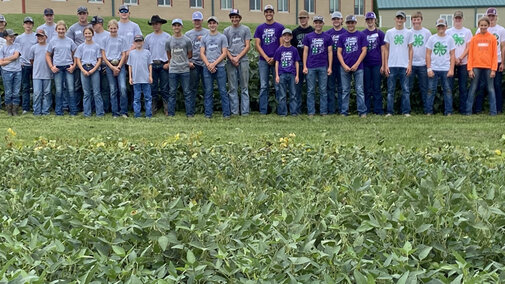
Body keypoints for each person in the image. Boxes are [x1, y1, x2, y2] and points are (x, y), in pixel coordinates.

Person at [254, 4, 284, 114]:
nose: (269, 14)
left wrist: (274, 57)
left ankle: (280, 110)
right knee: (264, 86)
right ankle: (263, 111)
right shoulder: (260, 28)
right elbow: (257, 45)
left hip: (276, 61)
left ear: (273, 13)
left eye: (270, 11)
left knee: (278, 85)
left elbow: (282, 44)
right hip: (263, 60)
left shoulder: (280, 27)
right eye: (267, 12)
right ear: (264, 14)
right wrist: (266, 57)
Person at [475, 7, 505, 114]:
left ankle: (498, 109)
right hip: (483, 62)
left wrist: (503, 62)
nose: (491, 18)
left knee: (496, 85)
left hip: (496, 60)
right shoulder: (480, 29)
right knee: (481, 85)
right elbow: (476, 46)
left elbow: (503, 46)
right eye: (489, 16)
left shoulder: (501, 30)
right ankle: (478, 108)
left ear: (496, 17)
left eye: (493, 16)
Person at [384, 11, 414, 116]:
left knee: (405, 90)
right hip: (392, 65)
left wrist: (410, 64)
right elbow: (386, 49)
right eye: (398, 18)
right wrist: (386, 64)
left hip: (404, 65)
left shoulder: (409, 33)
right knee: (390, 90)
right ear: (395, 19)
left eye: (402, 18)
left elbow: (410, 49)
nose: (400, 20)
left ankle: (405, 111)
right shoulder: (389, 32)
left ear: (405, 20)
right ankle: (389, 112)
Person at [466, 16, 498, 116]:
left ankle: (493, 112)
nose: (483, 27)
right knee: (473, 88)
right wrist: (470, 69)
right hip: (476, 66)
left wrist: (493, 69)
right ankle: (468, 111)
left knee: (490, 89)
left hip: (488, 67)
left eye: (485, 25)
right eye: (481, 25)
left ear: (488, 26)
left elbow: (494, 55)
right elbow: (470, 55)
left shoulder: (492, 38)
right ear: (478, 26)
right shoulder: (474, 39)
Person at [337, 15, 367, 117]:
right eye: (348, 23)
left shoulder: (361, 35)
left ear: (355, 23)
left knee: (359, 90)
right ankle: (344, 111)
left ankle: (362, 111)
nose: (350, 24)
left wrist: (357, 64)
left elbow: (364, 50)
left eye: (352, 22)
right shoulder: (342, 36)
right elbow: (339, 52)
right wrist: (344, 65)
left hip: (358, 67)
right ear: (346, 24)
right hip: (344, 67)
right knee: (345, 90)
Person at [46, 21, 78, 116]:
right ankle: (59, 111)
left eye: (63, 29)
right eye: (59, 29)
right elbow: (48, 55)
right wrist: (51, 66)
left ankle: (73, 111)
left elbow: (76, 54)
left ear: (66, 30)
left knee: (71, 89)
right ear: (56, 30)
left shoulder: (70, 41)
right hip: (57, 68)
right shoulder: (52, 41)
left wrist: (74, 65)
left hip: (68, 67)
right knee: (59, 90)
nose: (61, 31)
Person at [200, 16, 230, 118]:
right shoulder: (204, 38)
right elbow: (202, 53)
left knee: (223, 90)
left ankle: (226, 114)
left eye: (214, 23)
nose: (212, 25)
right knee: (208, 91)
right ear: (208, 25)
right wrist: (208, 64)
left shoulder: (222, 37)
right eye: (210, 23)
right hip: (207, 68)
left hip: (220, 67)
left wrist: (214, 64)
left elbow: (224, 53)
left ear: (217, 24)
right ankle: (208, 114)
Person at [303, 16, 332, 116]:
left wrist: (330, 67)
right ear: (313, 24)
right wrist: (305, 66)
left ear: (323, 24)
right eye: (316, 22)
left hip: (323, 66)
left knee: (323, 90)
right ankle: (311, 111)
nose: (318, 24)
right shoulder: (308, 36)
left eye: (320, 22)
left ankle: (323, 111)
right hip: (311, 66)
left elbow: (330, 52)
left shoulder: (327, 37)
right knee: (310, 90)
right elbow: (305, 52)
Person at [224, 9, 251, 116]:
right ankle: (234, 111)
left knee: (244, 87)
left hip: (243, 60)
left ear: (240, 18)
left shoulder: (246, 29)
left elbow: (247, 45)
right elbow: (225, 47)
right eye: (232, 17)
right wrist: (232, 58)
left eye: (236, 17)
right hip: (230, 61)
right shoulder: (226, 30)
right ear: (230, 18)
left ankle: (245, 112)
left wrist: (238, 57)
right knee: (232, 87)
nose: (234, 19)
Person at [426, 18, 456, 116]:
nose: (441, 28)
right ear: (436, 27)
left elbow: (452, 55)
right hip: (434, 68)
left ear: (446, 27)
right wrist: (429, 68)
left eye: (443, 26)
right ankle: (428, 111)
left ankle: (448, 111)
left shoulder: (450, 39)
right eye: (439, 26)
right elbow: (428, 54)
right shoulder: (432, 38)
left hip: (446, 68)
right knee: (431, 90)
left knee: (447, 90)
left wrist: (451, 69)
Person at [446, 10, 472, 114]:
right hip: (451, 62)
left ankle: (463, 110)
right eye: (456, 18)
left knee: (463, 87)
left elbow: (468, 47)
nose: (458, 20)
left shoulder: (467, 32)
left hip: (463, 62)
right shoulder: (448, 32)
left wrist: (460, 58)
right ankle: (449, 110)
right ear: (453, 19)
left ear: (462, 19)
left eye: (459, 18)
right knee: (449, 87)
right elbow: (447, 47)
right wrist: (454, 59)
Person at [166, 19, 193, 117]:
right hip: (173, 69)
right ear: (172, 27)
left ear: (181, 26)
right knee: (172, 92)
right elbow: (168, 54)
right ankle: (171, 113)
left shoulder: (187, 40)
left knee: (187, 91)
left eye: (178, 25)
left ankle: (189, 113)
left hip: (184, 69)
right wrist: (172, 62)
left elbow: (189, 54)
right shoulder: (169, 40)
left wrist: (184, 61)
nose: (176, 27)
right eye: (174, 25)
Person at [102, 19, 129, 117]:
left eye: (115, 28)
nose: (113, 30)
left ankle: (124, 111)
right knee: (113, 89)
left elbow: (124, 54)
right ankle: (115, 112)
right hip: (109, 65)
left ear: (118, 28)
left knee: (122, 88)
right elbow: (103, 55)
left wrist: (118, 67)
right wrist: (111, 67)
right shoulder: (105, 39)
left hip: (119, 65)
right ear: (108, 28)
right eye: (111, 28)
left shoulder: (122, 39)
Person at [75, 27, 104, 117]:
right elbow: (78, 59)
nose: (88, 35)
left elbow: (99, 59)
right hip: (84, 69)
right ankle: (87, 113)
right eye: (86, 34)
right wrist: (83, 70)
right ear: (84, 35)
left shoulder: (96, 46)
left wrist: (93, 70)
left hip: (94, 69)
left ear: (92, 34)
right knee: (86, 93)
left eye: (89, 33)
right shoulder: (81, 47)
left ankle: (100, 113)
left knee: (96, 92)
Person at [145, 15, 170, 115]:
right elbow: (145, 53)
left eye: (157, 24)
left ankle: (167, 108)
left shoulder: (167, 37)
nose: (156, 26)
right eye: (154, 24)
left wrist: (169, 62)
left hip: (163, 64)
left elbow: (171, 51)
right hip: (152, 65)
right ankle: (153, 108)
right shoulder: (148, 38)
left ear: (161, 24)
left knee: (165, 88)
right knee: (153, 88)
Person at [67, 6, 91, 110]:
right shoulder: (73, 28)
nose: (82, 15)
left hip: (90, 60)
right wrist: (74, 60)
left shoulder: (91, 26)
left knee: (90, 86)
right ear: (78, 15)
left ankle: (90, 107)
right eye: (80, 13)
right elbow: (69, 45)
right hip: (77, 61)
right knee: (77, 85)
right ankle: (77, 106)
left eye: (84, 13)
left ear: (87, 14)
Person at [185, 11, 209, 114]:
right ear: (192, 21)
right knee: (192, 88)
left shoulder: (207, 32)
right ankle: (190, 111)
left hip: (205, 63)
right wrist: (188, 62)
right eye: (195, 20)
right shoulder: (188, 34)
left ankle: (208, 111)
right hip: (193, 63)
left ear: (202, 20)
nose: (197, 22)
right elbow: (184, 50)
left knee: (207, 88)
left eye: (198, 20)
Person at [362, 11, 385, 114]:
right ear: (366, 21)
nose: (370, 21)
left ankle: (378, 110)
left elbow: (383, 50)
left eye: (371, 19)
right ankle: (366, 109)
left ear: (375, 20)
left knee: (376, 88)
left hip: (377, 63)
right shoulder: (363, 34)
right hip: (366, 64)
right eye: (368, 20)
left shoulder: (380, 33)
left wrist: (383, 65)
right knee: (367, 88)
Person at [409, 11, 431, 114]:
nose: (416, 21)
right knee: (408, 88)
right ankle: (407, 110)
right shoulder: (408, 32)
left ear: (421, 20)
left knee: (424, 88)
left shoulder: (427, 33)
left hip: (423, 64)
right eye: (414, 19)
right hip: (411, 64)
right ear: (412, 21)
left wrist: (428, 64)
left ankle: (427, 110)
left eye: (418, 19)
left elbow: (429, 49)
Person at [292, 10, 314, 114]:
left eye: (304, 18)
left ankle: (310, 111)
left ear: (308, 18)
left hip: (310, 63)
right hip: (298, 62)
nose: (303, 20)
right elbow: (291, 48)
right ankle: (297, 110)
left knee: (310, 88)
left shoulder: (312, 31)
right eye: (301, 18)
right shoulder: (295, 32)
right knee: (297, 88)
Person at [274, 28, 299, 116]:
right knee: (282, 95)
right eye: (285, 35)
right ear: (282, 37)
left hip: (292, 74)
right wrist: (277, 75)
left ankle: (293, 112)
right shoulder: (279, 50)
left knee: (293, 94)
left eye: (288, 35)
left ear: (291, 37)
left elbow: (296, 62)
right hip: (282, 74)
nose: (287, 37)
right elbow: (277, 62)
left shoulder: (294, 50)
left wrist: (297, 75)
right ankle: (283, 112)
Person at [15, 16, 37, 114]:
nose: (28, 25)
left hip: (35, 65)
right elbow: (16, 51)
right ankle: (25, 108)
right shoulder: (19, 38)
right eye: (26, 23)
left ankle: (36, 106)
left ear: (32, 25)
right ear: (23, 25)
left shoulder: (36, 36)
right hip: (24, 65)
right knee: (25, 87)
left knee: (36, 87)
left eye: (30, 23)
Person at [325, 11, 345, 114]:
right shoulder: (328, 34)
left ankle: (342, 109)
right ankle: (331, 110)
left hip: (342, 64)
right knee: (330, 87)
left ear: (342, 20)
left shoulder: (346, 33)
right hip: (331, 64)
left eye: (338, 19)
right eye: (334, 19)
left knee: (342, 87)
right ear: (332, 21)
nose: (336, 21)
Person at [128, 35, 153, 118]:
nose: (138, 43)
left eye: (140, 41)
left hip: (145, 78)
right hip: (136, 79)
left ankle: (148, 114)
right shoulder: (132, 53)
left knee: (148, 97)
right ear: (134, 43)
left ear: (143, 42)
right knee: (136, 98)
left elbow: (149, 65)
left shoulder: (147, 52)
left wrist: (150, 76)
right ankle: (137, 114)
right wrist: (130, 77)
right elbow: (130, 66)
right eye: (137, 41)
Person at [28, 29, 52, 115]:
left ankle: (45, 111)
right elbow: (31, 60)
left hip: (47, 74)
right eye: (38, 36)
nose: (40, 38)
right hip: (37, 74)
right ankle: (37, 111)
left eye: (42, 36)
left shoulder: (50, 47)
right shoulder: (33, 47)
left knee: (47, 93)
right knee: (37, 93)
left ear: (46, 37)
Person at [91, 16, 110, 113]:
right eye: (92, 24)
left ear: (101, 23)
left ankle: (105, 108)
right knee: (94, 89)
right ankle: (94, 108)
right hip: (93, 65)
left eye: (95, 24)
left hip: (105, 64)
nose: (93, 26)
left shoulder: (108, 35)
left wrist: (107, 64)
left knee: (105, 88)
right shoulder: (91, 35)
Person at [0, 29, 21, 116]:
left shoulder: (17, 45)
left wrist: (5, 59)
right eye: (10, 36)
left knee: (16, 91)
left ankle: (15, 110)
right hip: (6, 71)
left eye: (13, 36)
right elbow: (1, 63)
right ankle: (9, 110)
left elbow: (16, 56)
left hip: (17, 71)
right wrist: (9, 60)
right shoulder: (2, 48)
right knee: (8, 91)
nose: (12, 38)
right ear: (5, 37)